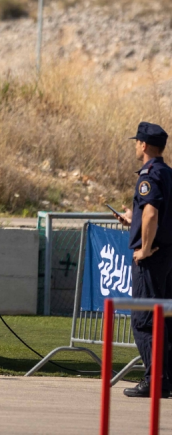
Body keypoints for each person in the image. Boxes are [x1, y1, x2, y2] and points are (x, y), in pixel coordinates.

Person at [114, 122, 172, 398]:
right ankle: (166, 380)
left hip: (152, 259)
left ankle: (154, 380)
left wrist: (145, 248)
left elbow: (151, 214)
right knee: (166, 320)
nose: (136, 146)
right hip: (168, 256)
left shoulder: (149, 174)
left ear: (145, 145)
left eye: (137, 142)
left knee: (144, 320)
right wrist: (131, 218)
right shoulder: (168, 173)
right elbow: (152, 215)